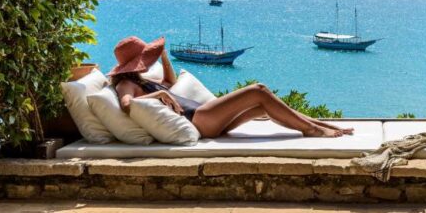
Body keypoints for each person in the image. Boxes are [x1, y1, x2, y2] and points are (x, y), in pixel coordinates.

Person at [108, 36, 353, 138]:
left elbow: (171, 82)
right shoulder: (127, 84)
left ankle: (320, 125)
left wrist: (162, 58)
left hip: (205, 117)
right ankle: (313, 130)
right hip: (200, 119)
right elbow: (127, 105)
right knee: (258, 90)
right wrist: (158, 95)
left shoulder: (142, 81)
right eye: (145, 58)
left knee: (261, 108)